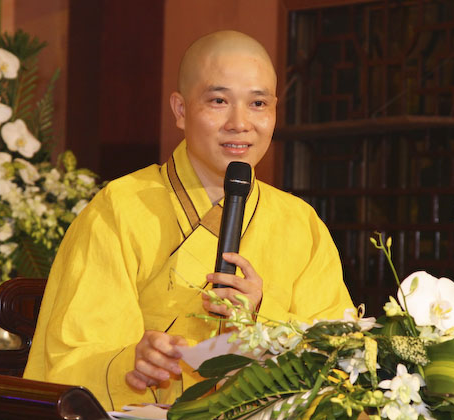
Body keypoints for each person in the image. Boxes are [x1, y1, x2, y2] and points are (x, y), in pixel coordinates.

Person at [23, 30, 354, 410]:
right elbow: (70, 354)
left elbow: (341, 355)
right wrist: (130, 363)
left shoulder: (301, 224)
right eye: (219, 101)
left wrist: (263, 317)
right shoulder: (119, 209)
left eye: (258, 103)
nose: (240, 123)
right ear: (180, 110)